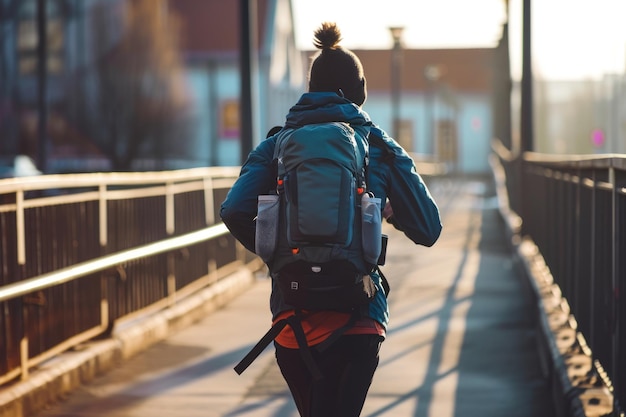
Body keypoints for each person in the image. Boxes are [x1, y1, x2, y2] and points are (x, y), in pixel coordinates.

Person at [220, 22, 442, 417]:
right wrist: (387, 214)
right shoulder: (378, 144)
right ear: (358, 94)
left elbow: (233, 210)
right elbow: (429, 228)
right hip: (358, 317)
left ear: (310, 90)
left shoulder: (276, 144)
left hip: (292, 318)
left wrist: (277, 253)